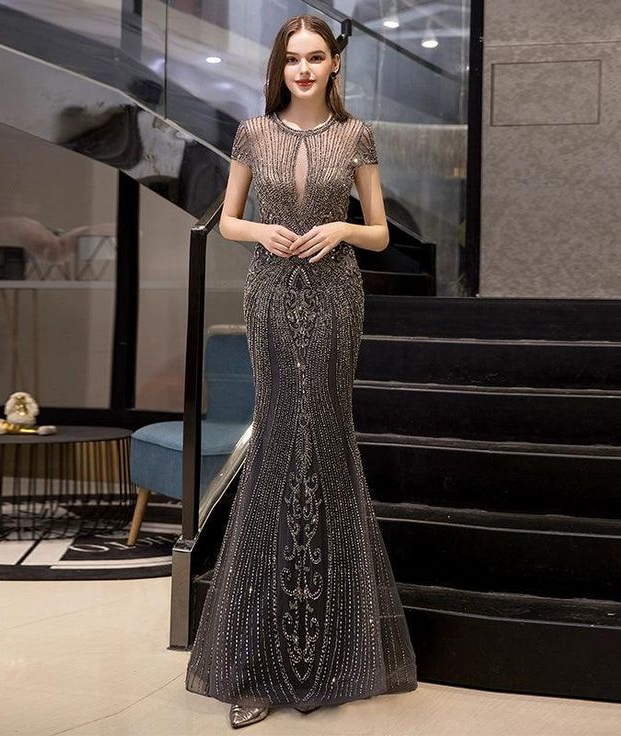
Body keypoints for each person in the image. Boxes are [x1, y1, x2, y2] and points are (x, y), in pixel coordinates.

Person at [184, 13, 418, 729]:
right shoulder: (253, 132)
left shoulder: (357, 136)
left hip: (336, 293)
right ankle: (253, 664)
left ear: (334, 66)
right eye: (294, 59)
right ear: (280, 67)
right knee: (279, 445)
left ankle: (336, 654)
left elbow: (378, 231)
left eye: (317, 58)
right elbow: (226, 219)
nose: (306, 70)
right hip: (271, 291)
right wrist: (263, 228)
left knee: (327, 443)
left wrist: (342, 226)